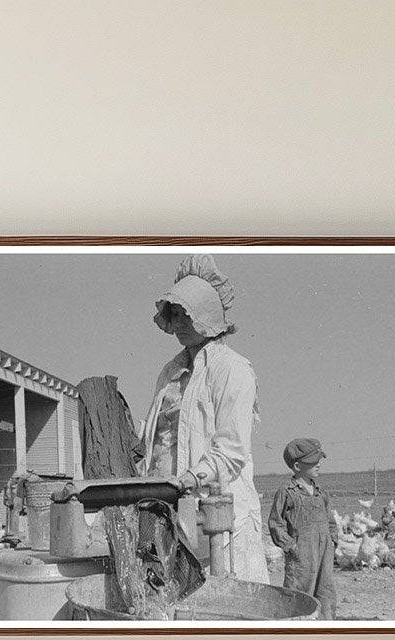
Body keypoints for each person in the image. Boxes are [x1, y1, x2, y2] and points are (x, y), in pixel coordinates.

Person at [140, 255, 270, 584]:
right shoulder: (170, 372)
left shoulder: (231, 368)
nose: (178, 321)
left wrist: (190, 478)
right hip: (173, 510)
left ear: (207, 315)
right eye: (174, 313)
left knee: (227, 602)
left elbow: (232, 449)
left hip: (219, 514)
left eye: (186, 313)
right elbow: (156, 438)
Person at [267, 438, 338, 619]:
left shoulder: (321, 492)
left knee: (325, 592)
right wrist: (291, 546)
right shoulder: (287, 491)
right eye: (313, 462)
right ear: (298, 466)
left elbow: (330, 520)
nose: (318, 465)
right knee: (299, 592)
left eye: (319, 460)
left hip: (325, 553)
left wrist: (332, 541)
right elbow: (276, 523)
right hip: (301, 556)